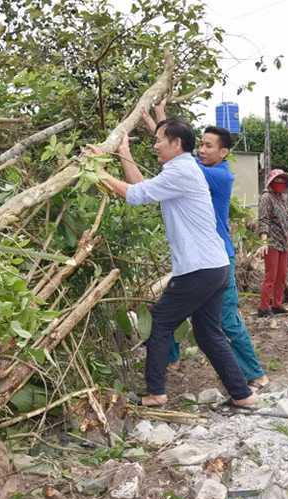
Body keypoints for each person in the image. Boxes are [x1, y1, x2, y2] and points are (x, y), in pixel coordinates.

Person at [84, 119, 256, 409]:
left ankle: (155, 393)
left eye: (159, 140)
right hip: (213, 266)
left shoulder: (182, 172)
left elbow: (134, 195)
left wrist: (98, 172)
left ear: (176, 143)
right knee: (207, 333)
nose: (155, 146)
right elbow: (142, 188)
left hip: (199, 268)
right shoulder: (180, 170)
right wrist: (123, 154)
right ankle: (243, 394)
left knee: (160, 322)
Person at [140, 103, 270, 392]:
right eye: (200, 144)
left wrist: (161, 128)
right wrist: (162, 127)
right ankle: (170, 362)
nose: (202, 150)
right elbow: (179, 154)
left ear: (224, 153)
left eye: (209, 146)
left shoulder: (217, 175)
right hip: (199, 256)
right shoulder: (194, 167)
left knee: (226, 321)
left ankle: (255, 374)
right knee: (174, 313)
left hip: (218, 255)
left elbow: (180, 158)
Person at [257, 169, 288, 318]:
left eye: (283, 181)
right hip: (272, 243)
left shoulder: (281, 199)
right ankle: (263, 308)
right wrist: (264, 243)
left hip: (283, 244)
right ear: (271, 182)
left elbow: (285, 225)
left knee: (281, 276)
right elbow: (264, 221)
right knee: (271, 277)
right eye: (278, 181)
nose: (280, 184)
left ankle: (277, 304)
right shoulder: (266, 198)